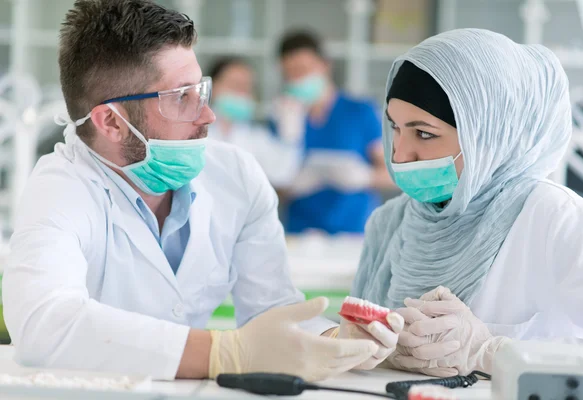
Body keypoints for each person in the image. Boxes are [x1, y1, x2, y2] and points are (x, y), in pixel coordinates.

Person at [2, 0, 404, 381]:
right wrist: (221, 352)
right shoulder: (61, 187)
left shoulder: (236, 176)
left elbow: (272, 311)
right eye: (181, 97)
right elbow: (43, 324)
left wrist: (336, 343)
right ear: (111, 122)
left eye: (202, 90)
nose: (208, 114)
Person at [350, 28, 583, 377]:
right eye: (395, 128)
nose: (400, 154)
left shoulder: (555, 219)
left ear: (489, 133)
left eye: (424, 133)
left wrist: (492, 351)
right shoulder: (391, 222)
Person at [270, 30, 395, 235]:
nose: (297, 79)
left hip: (354, 233)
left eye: (303, 69)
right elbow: (269, 188)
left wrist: (364, 177)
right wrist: (289, 185)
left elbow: (393, 175)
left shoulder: (359, 111)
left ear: (325, 65)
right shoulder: (283, 119)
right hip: (300, 234)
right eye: (290, 73)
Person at [209, 56, 303, 187]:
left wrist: (290, 134)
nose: (241, 92)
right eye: (235, 84)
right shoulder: (195, 130)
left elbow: (282, 174)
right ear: (213, 87)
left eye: (247, 87)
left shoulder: (256, 137)